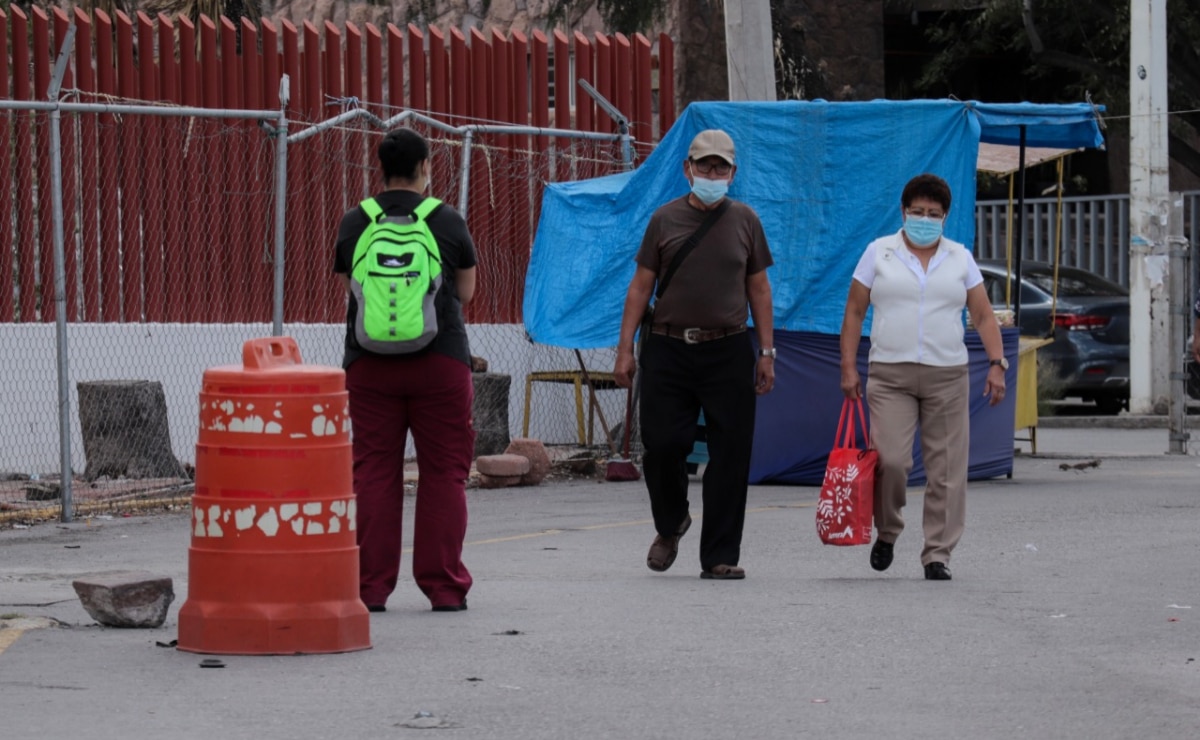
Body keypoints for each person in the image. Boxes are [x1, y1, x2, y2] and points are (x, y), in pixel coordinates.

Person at [613, 129, 776, 581]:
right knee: (663, 445)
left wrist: (766, 352)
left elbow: (759, 289)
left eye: (720, 167)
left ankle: (720, 554)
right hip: (667, 348)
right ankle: (671, 522)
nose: (711, 174)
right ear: (688, 169)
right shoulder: (663, 221)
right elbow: (640, 286)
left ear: (732, 173)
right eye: (704, 166)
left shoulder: (746, 220)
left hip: (727, 348)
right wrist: (624, 349)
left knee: (731, 452)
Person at [333, 128, 478, 612]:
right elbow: (467, 293)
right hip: (440, 363)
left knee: (373, 470)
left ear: (381, 168)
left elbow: (353, 293)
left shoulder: (357, 221)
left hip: (369, 366)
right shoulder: (447, 220)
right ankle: (444, 587)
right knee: (444, 473)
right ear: (426, 167)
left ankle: (369, 589)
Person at [838, 173, 1006, 582]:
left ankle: (938, 552)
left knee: (947, 470)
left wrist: (998, 363)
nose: (925, 219)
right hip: (890, 374)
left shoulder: (960, 258)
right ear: (903, 212)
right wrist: (847, 366)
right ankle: (888, 529)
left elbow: (982, 315)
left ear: (945, 217)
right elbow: (855, 311)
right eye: (918, 212)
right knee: (892, 460)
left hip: (947, 375)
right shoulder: (879, 253)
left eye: (933, 214)